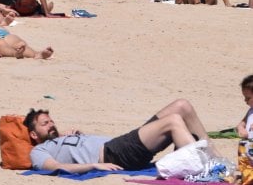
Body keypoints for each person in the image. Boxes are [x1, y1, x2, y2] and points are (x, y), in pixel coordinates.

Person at [25, 99, 219, 173]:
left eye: (51, 121)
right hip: (114, 153)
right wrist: (93, 165)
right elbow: (57, 167)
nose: (51, 125)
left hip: (120, 145)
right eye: (45, 124)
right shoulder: (39, 151)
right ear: (33, 134)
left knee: (182, 106)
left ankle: (216, 158)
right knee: (174, 120)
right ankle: (205, 169)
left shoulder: (63, 137)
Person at [235, 74, 253, 139]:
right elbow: (241, 124)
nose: (245, 100)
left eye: (248, 98)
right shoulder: (251, 111)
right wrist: (241, 128)